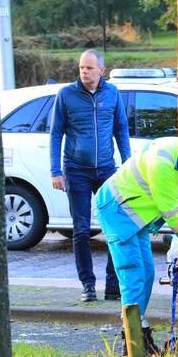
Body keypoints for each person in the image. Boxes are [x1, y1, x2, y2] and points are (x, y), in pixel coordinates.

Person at [50, 49, 130, 302]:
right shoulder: (66, 95)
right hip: (76, 170)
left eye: (89, 68)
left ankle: (113, 284)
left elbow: (121, 129)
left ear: (101, 70)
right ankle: (88, 285)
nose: (84, 72)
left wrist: (126, 164)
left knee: (115, 227)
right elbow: (55, 134)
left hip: (107, 169)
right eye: (82, 68)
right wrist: (56, 171)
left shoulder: (112, 93)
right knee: (82, 230)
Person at [94, 136, 178, 357]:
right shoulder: (164, 165)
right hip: (117, 211)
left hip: (135, 214)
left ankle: (139, 333)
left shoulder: (175, 149)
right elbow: (171, 212)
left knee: (147, 274)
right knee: (133, 275)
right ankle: (130, 345)